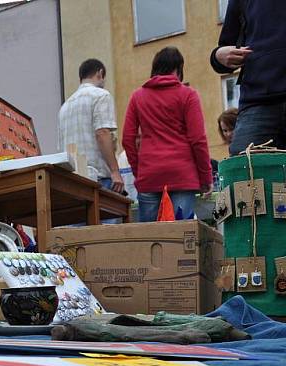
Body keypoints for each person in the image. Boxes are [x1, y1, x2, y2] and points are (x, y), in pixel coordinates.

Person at [122, 47, 212, 222]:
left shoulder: (137, 97)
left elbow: (127, 139)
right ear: (179, 68)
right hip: (182, 175)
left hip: (150, 175)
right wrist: (205, 176)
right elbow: (197, 139)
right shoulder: (188, 95)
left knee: (151, 239)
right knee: (180, 238)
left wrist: (139, 171)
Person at [210, 0, 286, 154]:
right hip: (257, 101)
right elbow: (224, 48)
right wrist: (218, 56)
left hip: (257, 102)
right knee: (243, 170)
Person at [58, 59, 124, 194]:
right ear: (100, 73)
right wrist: (115, 171)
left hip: (71, 180)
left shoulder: (64, 107)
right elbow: (102, 133)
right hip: (98, 178)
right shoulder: (101, 95)